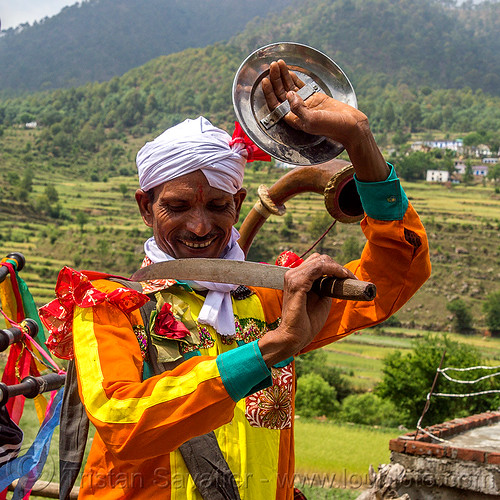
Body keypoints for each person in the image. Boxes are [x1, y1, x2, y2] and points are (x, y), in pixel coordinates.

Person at [40, 60, 430, 499]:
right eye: (178, 206)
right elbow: (121, 422)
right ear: (145, 208)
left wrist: (359, 139)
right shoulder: (111, 307)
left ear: (239, 202)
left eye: (218, 206)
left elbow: (398, 272)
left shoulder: (270, 297)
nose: (201, 227)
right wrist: (275, 347)